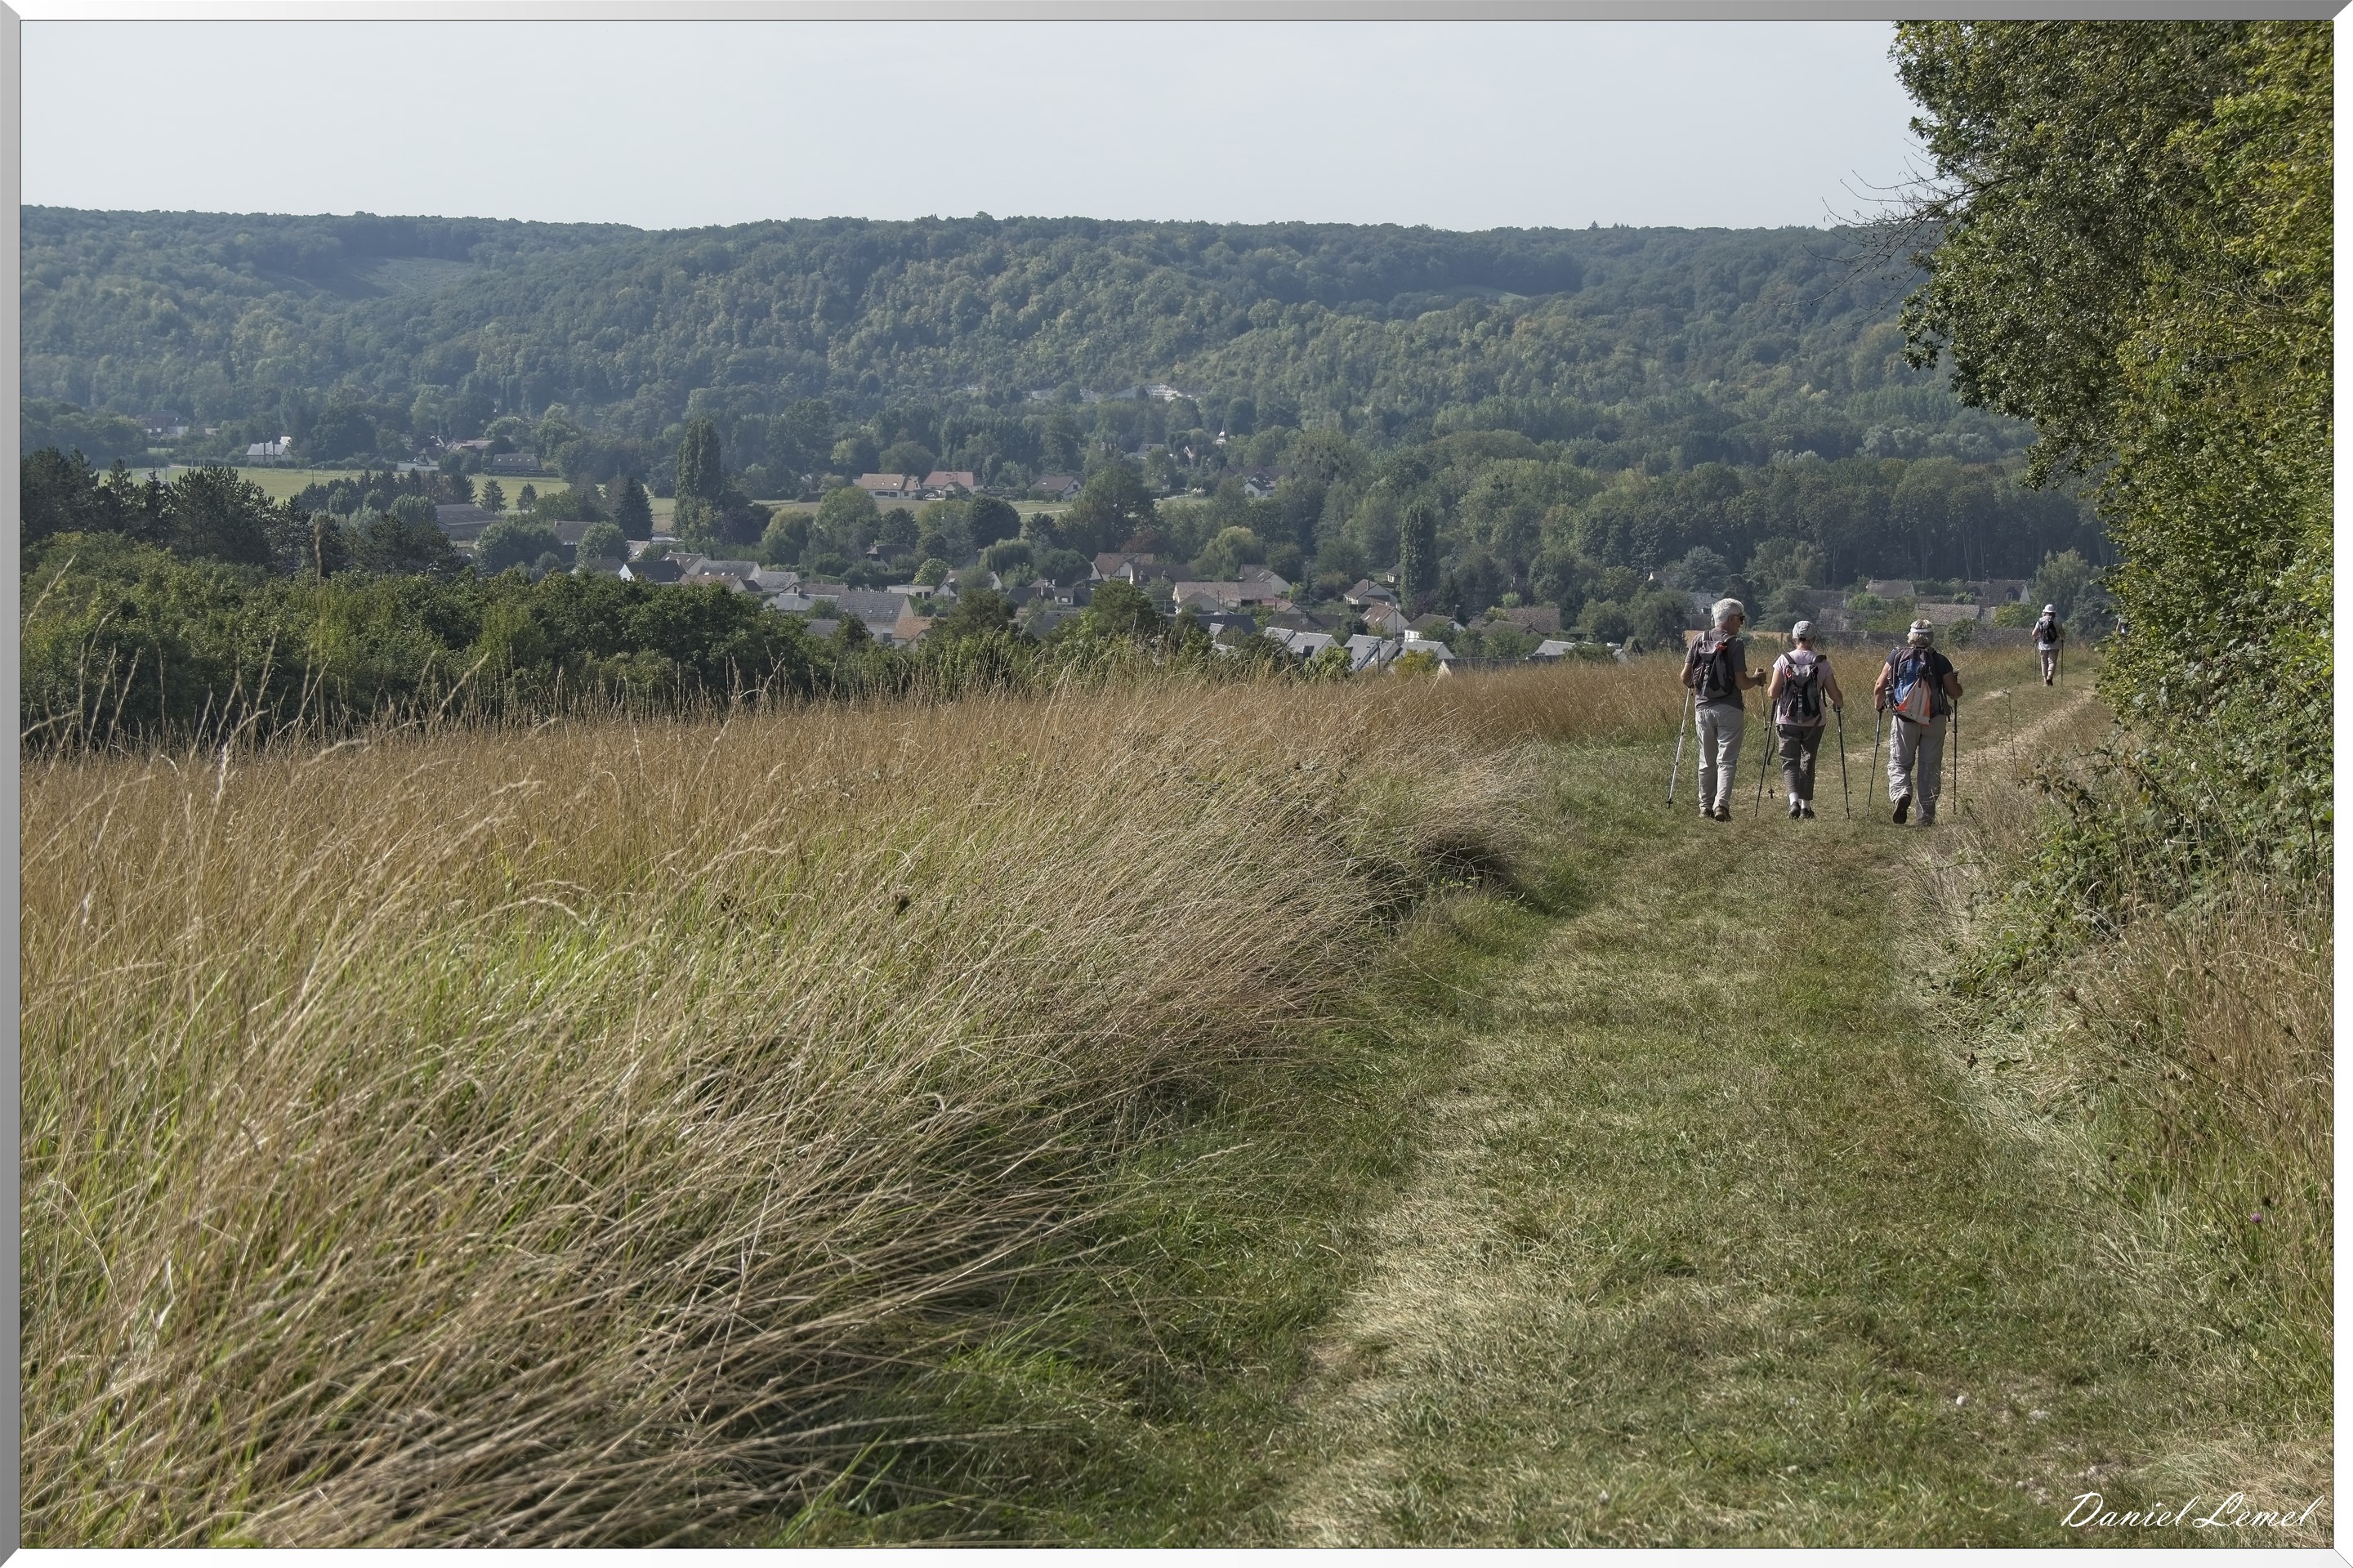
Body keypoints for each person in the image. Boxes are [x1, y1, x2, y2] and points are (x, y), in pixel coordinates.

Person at [1681, 597, 1767, 821]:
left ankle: (1704, 807)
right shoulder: (1735, 644)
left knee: (1706, 760)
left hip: (1703, 708)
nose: (1741, 623)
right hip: (1730, 708)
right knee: (1726, 760)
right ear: (1730, 618)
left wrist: (1698, 687)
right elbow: (1741, 683)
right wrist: (1757, 679)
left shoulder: (1698, 640)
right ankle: (1721, 806)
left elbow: (1685, 678)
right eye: (1741, 619)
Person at [1872, 619, 1963, 826]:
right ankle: (1925, 818)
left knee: (1900, 762)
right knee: (1930, 767)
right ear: (1931, 637)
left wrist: (1879, 705)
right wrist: (1958, 685)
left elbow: (1879, 685)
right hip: (1934, 719)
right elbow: (1954, 693)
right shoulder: (1940, 660)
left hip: (1904, 717)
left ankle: (1902, 794)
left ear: (1910, 637)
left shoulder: (1896, 656)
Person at [1766, 620, 1844, 818]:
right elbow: (1835, 696)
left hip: (1786, 720)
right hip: (1815, 721)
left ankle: (1793, 802)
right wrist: (1839, 703)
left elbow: (1773, 693)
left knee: (1789, 761)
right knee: (1808, 760)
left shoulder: (1783, 660)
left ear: (1794, 639)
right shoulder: (1822, 663)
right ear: (1814, 639)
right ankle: (1806, 807)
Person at [2032, 603, 2065, 685]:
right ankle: (2049, 677)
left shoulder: (2040, 620)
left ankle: (2045, 681)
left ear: (2045, 612)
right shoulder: (2057, 621)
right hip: (2055, 645)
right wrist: (2062, 639)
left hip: (2042, 645)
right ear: (2053, 612)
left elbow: (2034, 633)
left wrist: (2036, 639)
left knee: (2044, 662)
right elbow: (2062, 634)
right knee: (2052, 662)